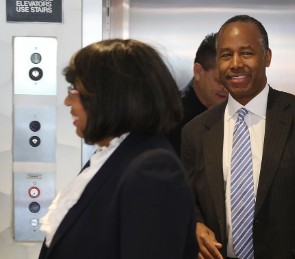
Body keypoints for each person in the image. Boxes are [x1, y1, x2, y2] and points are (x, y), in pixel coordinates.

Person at [182, 15, 295, 259]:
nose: (235, 64)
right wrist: (194, 224)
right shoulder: (195, 131)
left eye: (246, 53)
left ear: (267, 57)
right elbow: (186, 201)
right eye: (226, 55)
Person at [38, 39, 198, 259]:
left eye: (74, 90)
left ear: (109, 96)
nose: (67, 101)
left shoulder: (151, 169)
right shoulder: (111, 156)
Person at [167, 32, 228, 154]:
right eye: (220, 81)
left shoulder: (236, 113)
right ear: (198, 71)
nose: (227, 89)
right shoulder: (171, 118)